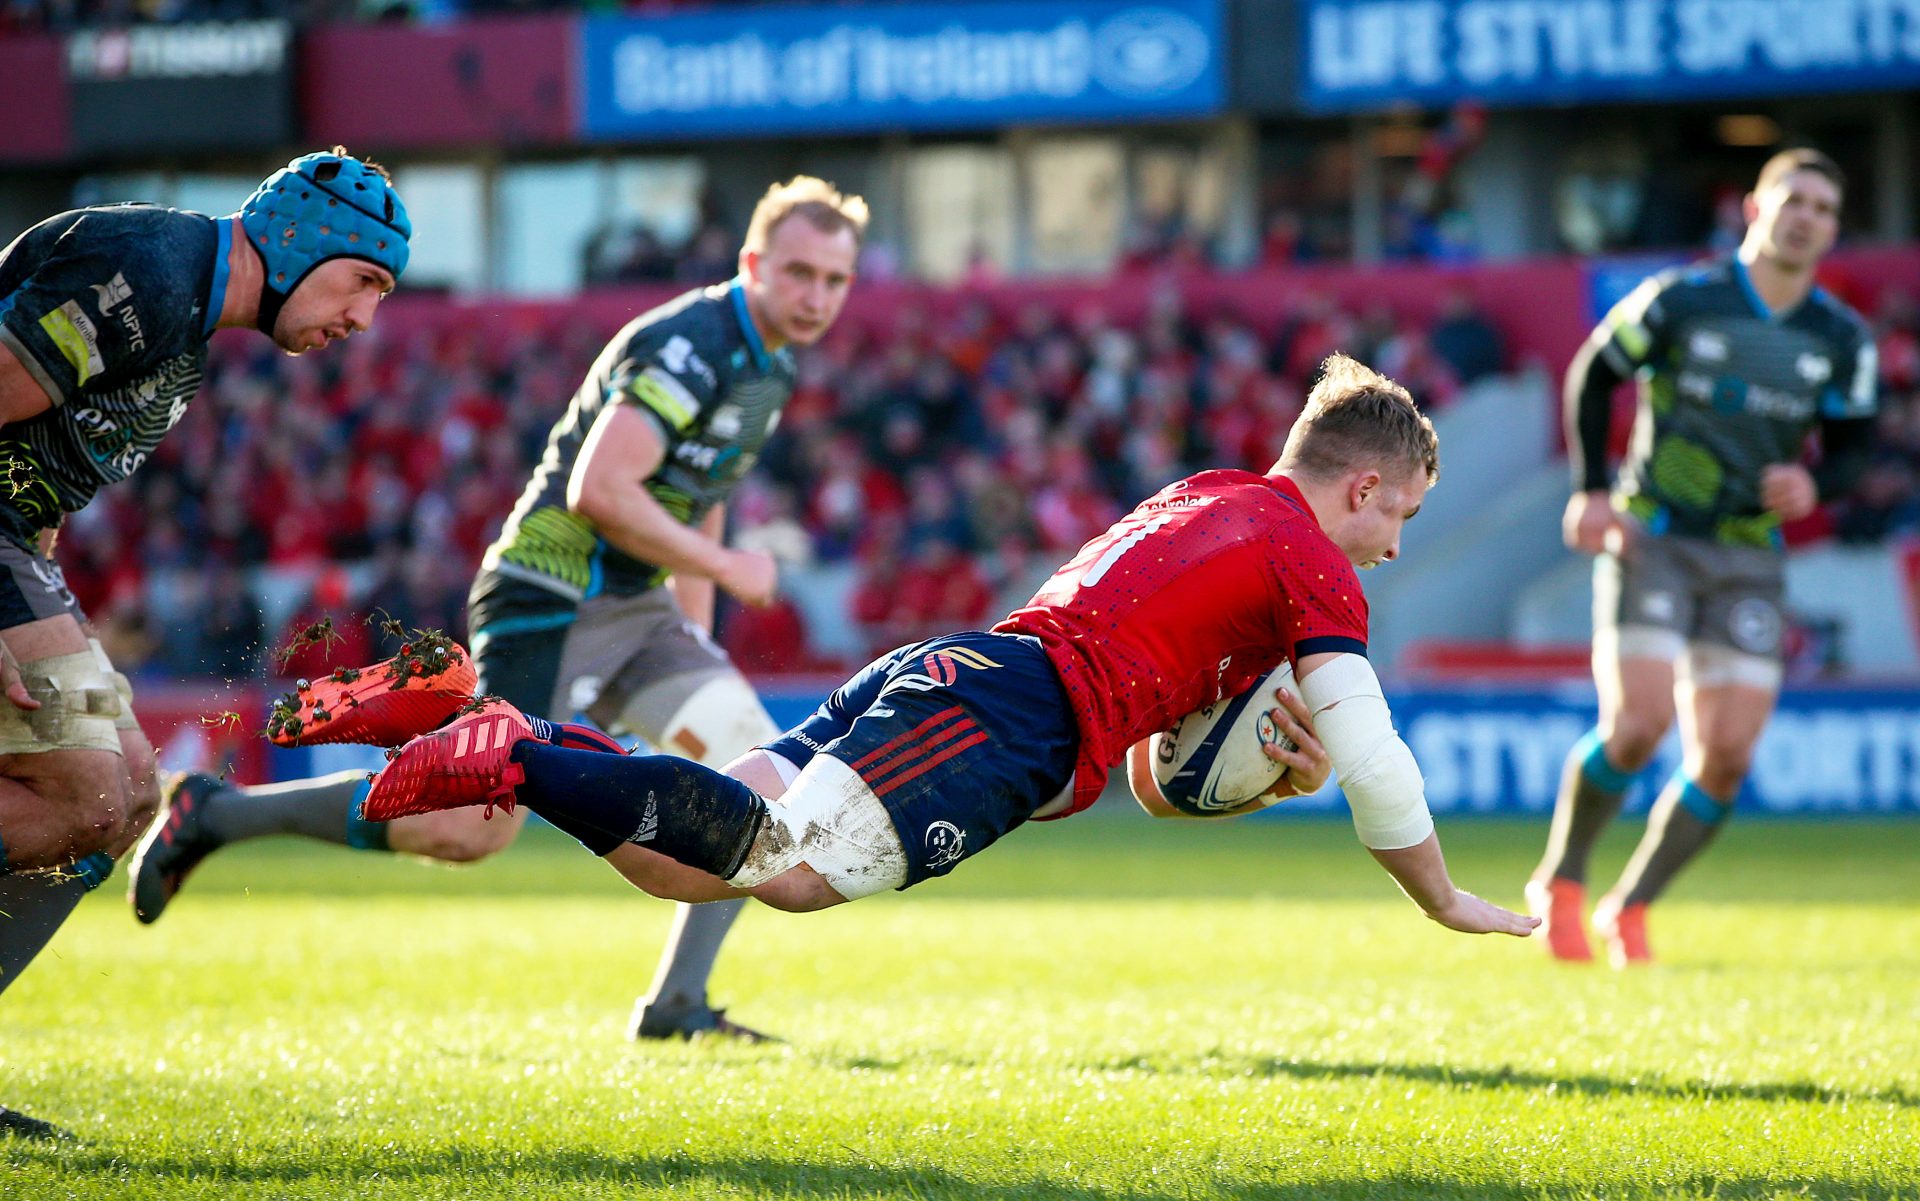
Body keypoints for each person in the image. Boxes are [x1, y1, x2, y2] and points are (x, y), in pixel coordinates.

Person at [355, 355, 1539, 945]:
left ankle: (532, 745)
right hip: (1008, 718)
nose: (1392, 549)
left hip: (963, 677)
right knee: (787, 871)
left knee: (709, 852)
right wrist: (1439, 895)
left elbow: (1149, 774)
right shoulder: (1311, 562)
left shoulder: (1216, 496)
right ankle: (515, 750)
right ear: (1368, 485)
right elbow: (1377, 755)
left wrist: (1250, 779)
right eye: (1403, 518)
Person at [130, 177, 868, 1042]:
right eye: (800, 273)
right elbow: (601, 488)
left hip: (640, 609)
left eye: (835, 281)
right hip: (547, 594)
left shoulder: (770, 363)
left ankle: (676, 1005)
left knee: (758, 781)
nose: (816, 297)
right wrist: (730, 565)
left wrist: (695, 635)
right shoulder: (693, 342)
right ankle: (217, 812)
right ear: (752, 263)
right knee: (469, 829)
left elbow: (701, 494)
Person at [0, 147, 410, 1137]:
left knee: (131, 791)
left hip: (12, 550)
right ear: (302, 235)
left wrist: (55, 619)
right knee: (92, 786)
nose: (363, 319)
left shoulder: (187, 334)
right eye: (364, 282)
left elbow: (39, 491)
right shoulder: (147, 270)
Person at [1526, 148, 1878, 967]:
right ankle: (1563, 878)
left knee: (1725, 757)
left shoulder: (1840, 337)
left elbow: (1857, 453)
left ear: (1833, 230)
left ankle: (1632, 904)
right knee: (1638, 725)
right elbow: (1592, 374)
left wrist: (1813, 480)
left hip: (1750, 555)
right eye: (1794, 199)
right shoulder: (1684, 299)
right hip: (1653, 536)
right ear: (1755, 207)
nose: (1808, 218)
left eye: (1825, 209)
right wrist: (1590, 489)